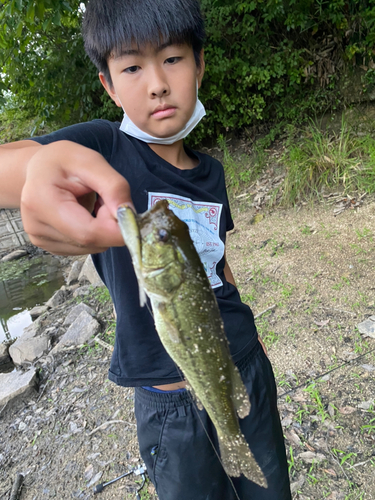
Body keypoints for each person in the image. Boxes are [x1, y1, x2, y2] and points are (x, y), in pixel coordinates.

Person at [0, 1, 291, 498]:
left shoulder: (212, 173)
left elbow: (219, 263)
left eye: (173, 59)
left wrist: (253, 338)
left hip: (243, 363)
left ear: (199, 63)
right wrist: (42, 170)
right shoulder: (106, 148)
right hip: (168, 402)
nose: (156, 82)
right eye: (132, 66)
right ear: (108, 85)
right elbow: (17, 165)